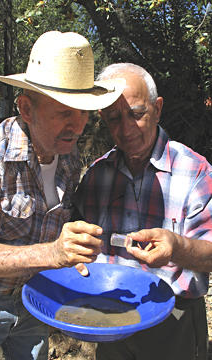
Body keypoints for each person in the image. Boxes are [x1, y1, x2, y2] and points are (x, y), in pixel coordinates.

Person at [0, 31, 125, 360]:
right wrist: (54, 254)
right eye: (64, 112)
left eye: (84, 112)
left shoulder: (69, 157)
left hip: (35, 300)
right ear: (27, 108)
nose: (79, 125)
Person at [73, 63, 212, 360]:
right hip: (109, 318)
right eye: (114, 118)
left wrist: (178, 247)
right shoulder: (96, 176)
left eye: (137, 114)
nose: (126, 129)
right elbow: (74, 245)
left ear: (157, 109)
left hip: (174, 319)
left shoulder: (195, 171)